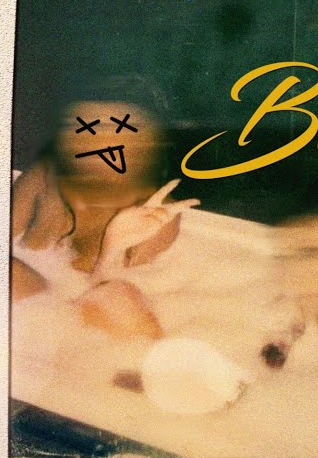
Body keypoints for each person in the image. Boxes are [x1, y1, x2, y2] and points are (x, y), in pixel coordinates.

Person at [10, 78, 199, 340]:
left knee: (122, 302)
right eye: (85, 128)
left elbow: (107, 307)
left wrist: (114, 246)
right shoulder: (44, 179)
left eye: (120, 129)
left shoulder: (154, 215)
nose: (98, 143)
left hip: (74, 330)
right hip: (34, 319)